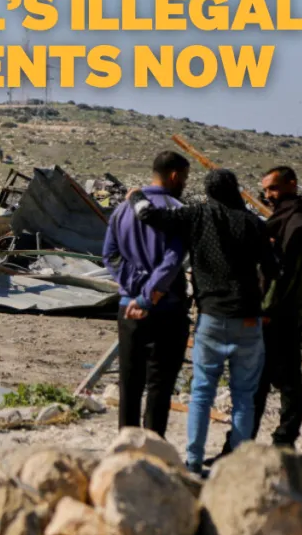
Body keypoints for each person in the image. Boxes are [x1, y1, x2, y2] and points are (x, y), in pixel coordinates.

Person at [127, 169, 277, 475]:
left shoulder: (195, 216)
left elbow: (149, 216)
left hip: (211, 317)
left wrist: (135, 196)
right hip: (248, 319)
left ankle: (193, 462)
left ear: (208, 192)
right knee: (244, 397)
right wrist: (262, 301)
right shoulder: (252, 223)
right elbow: (273, 269)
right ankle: (237, 464)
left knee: (201, 394)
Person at [102, 151, 191, 439]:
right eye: (185, 178)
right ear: (175, 176)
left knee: (129, 384)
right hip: (166, 310)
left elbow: (110, 255)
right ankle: (152, 450)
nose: (185, 184)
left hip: (128, 310)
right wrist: (149, 293)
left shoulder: (121, 210)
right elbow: (172, 259)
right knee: (159, 387)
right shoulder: (177, 210)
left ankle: (125, 448)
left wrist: (135, 285)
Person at [252, 165, 302, 448]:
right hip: (282, 312)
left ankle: (282, 439)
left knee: (280, 380)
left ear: (292, 185)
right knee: (274, 378)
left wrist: (268, 310)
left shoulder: (296, 223)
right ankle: (267, 439)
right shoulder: (289, 218)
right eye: (266, 190)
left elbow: (287, 273)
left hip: (280, 315)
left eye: (273, 188)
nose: (268, 195)